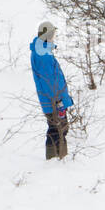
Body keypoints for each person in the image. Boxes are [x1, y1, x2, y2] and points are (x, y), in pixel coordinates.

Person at [30, 21, 73, 160]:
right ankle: (55, 159)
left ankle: (58, 158)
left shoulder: (42, 50)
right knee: (57, 129)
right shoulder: (43, 55)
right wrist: (58, 100)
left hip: (54, 99)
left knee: (60, 128)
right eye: (53, 34)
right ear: (47, 35)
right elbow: (49, 82)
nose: (54, 36)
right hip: (54, 100)